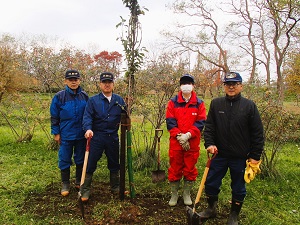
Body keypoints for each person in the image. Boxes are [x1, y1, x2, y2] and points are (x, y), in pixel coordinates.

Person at [200, 72, 264, 225]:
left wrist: (255, 155)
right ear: (224, 86)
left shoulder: (249, 106)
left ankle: (233, 216)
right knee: (211, 182)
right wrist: (209, 144)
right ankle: (211, 209)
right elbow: (209, 128)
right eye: (228, 84)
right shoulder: (216, 104)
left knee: (238, 187)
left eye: (234, 84)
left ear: (240, 86)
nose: (231, 87)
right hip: (218, 154)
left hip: (240, 156)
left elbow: (258, 133)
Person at [80, 72, 126, 201]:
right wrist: (88, 129)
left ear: (113, 84)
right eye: (104, 82)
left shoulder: (119, 100)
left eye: (109, 82)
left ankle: (115, 187)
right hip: (97, 136)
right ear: (100, 84)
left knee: (114, 163)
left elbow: (126, 116)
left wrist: (127, 125)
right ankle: (85, 189)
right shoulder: (93, 100)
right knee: (90, 162)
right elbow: (87, 116)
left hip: (112, 137)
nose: (107, 85)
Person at [165, 74, 207, 206]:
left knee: (190, 168)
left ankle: (186, 193)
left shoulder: (199, 103)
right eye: (183, 83)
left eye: (189, 83)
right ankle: (174, 194)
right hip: (176, 143)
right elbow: (170, 122)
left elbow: (201, 122)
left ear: (193, 86)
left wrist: (188, 135)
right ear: (180, 86)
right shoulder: (173, 102)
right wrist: (180, 137)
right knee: (175, 168)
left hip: (192, 143)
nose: (186, 86)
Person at [50, 69, 89, 196]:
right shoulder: (59, 97)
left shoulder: (84, 96)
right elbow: (54, 116)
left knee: (80, 158)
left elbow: (89, 115)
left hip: (81, 135)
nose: (73, 82)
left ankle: (79, 181)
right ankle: (65, 183)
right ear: (66, 81)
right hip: (66, 134)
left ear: (79, 81)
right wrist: (56, 133)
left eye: (76, 80)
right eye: (70, 80)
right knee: (64, 158)